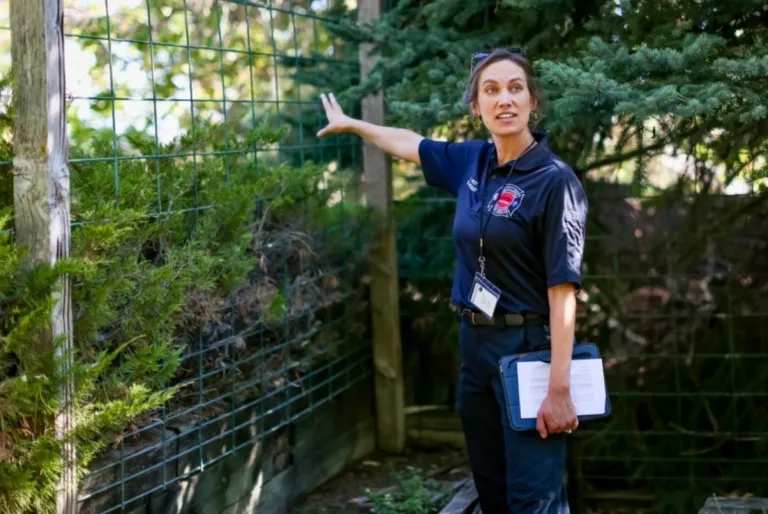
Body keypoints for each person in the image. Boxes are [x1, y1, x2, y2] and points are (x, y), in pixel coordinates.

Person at [317, 48, 586, 514]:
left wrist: (558, 388)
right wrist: (355, 125)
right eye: (491, 90)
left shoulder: (553, 180)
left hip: (530, 351)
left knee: (532, 500)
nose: (504, 99)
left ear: (532, 102)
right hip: (474, 349)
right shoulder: (472, 162)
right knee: (494, 492)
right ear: (476, 107)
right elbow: (410, 143)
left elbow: (563, 291)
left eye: (515, 88)